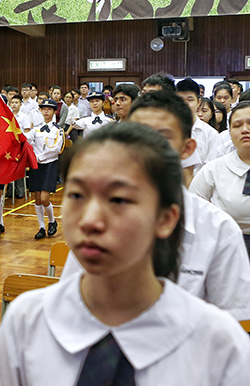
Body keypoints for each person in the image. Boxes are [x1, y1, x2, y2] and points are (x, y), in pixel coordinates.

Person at [0, 122, 250, 386]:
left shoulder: (218, 341)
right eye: (77, 194)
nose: (91, 220)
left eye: (118, 200)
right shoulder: (28, 319)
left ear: (166, 219)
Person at [63, 90, 250, 320]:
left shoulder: (218, 229)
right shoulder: (96, 223)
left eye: (160, 138)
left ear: (187, 149)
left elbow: (231, 323)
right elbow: (71, 302)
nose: (144, 150)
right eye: (135, 138)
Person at [190, 100, 250, 257]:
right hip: (225, 246)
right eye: (237, 126)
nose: (245, 130)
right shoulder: (214, 168)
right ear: (229, 132)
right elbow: (192, 207)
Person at [27, 99, 64, 239]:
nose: (46, 111)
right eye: (44, 109)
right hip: (36, 165)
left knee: (44, 198)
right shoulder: (35, 129)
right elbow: (25, 139)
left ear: (55, 111)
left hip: (49, 164)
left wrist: (39, 157)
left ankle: (52, 221)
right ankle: (42, 227)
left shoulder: (58, 130)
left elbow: (56, 149)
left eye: (49, 109)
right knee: (36, 198)